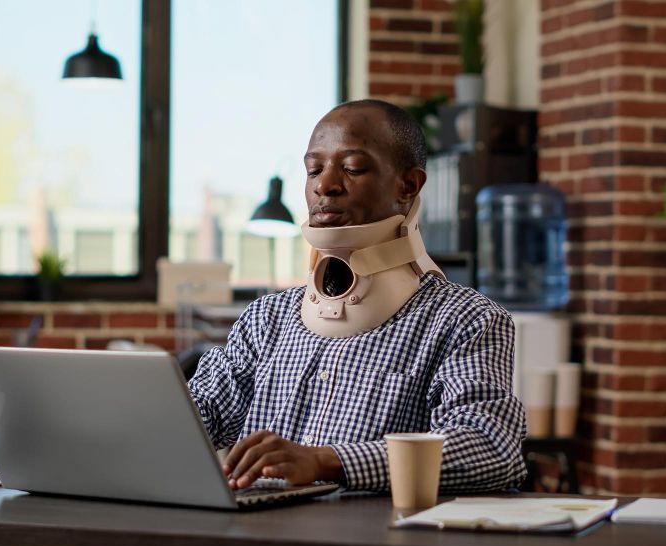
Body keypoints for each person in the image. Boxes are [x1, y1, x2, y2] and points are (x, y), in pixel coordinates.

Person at [187, 99, 527, 493]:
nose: (323, 185)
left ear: (408, 186)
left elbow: (490, 448)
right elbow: (198, 415)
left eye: (351, 168)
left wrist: (324, 461)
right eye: (314, 169)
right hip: (256, 536)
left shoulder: (465, 321)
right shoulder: (267, 318)